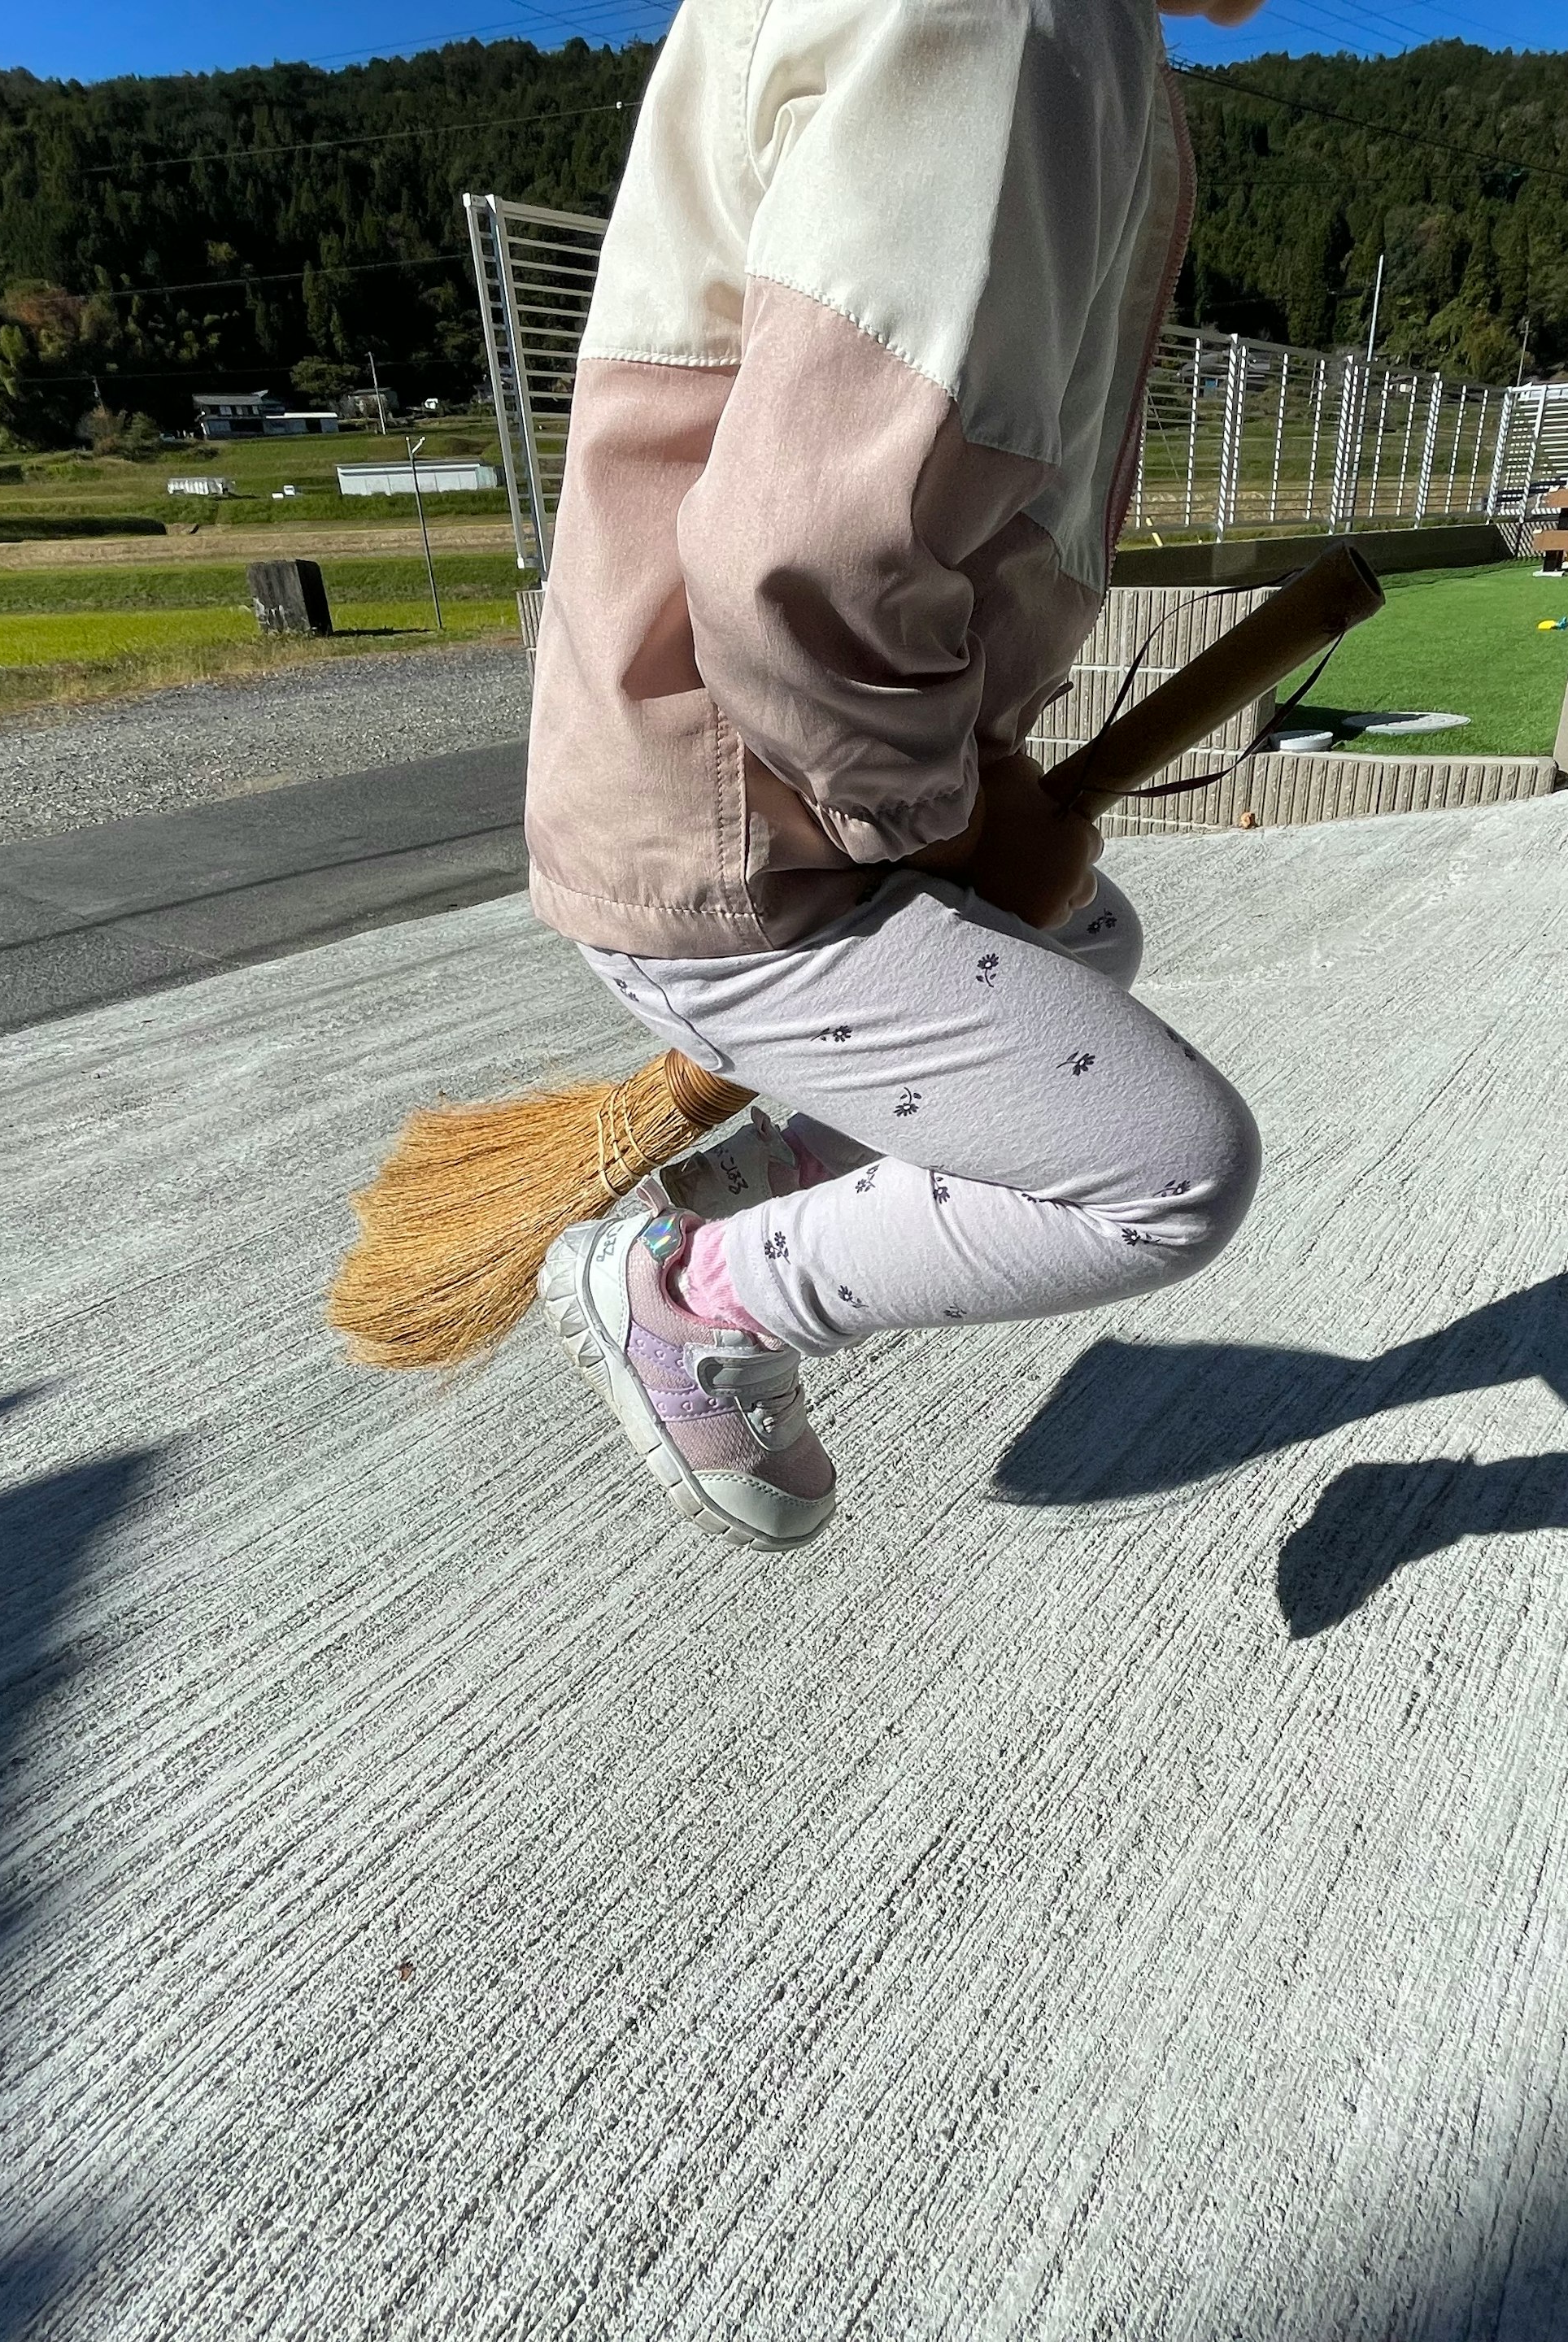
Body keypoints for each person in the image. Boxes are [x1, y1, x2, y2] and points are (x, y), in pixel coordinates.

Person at [525, 0, 1271, 1550]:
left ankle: (738, 1189)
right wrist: (945, 814)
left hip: (723, 778)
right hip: (744, 826)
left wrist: (962, 789)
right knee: (1170, 1176)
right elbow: (803, 565)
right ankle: (684, 1297)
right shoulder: (1009, 19)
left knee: (1082, 943)